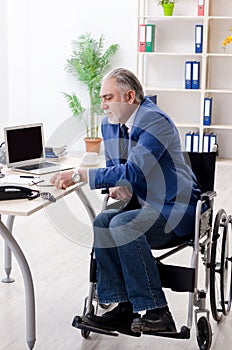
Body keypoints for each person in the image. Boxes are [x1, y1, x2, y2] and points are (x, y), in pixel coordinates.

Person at [51, 68, 201, 335]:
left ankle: (158, 311)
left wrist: (80, 174)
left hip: (176, 207)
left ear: (130, 96)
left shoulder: (155, 120)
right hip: (142, 204)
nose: (103, 104)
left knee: (122, 224)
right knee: (103, 221)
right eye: (101, 98)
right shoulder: (110, 124)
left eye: (108, 97)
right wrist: (121, 189)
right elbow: (120, 170)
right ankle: (123, 308)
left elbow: (134, 170)